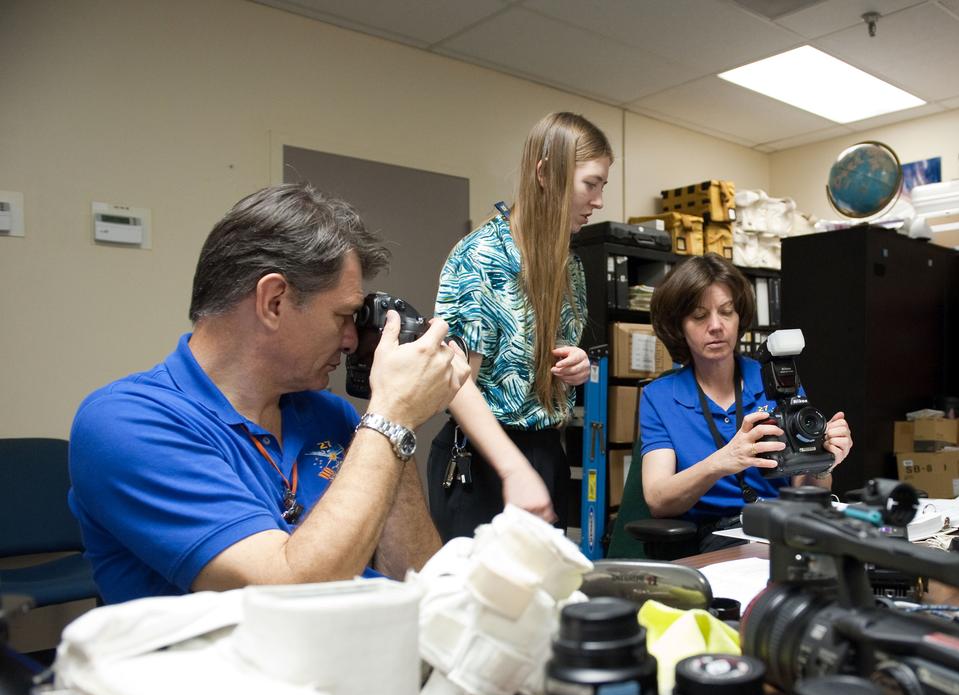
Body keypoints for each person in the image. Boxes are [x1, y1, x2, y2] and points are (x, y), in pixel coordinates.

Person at [68, 184, 470, 604]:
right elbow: (289, 590)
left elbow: (420, 584)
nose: (351, 340)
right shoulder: (127, 422)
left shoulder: (335, 417)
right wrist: (393, 415)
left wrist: (392, 415)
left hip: (356, 657)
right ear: (273, 301)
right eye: (342, 316)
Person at [428, 111, 611, 540]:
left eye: (603, 186)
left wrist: (577, 366)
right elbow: (455, 381)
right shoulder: (481, 257)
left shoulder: (571, 267)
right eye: (591, 184)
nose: (599, 201)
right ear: (546, 173)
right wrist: (513, 468)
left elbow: (547, 360)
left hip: (545, 451)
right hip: (483, 457)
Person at [639, 255, 853, 553]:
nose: (716, 326)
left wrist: (823, 464)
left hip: (781, 527)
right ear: (679, 326)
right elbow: (658, 500)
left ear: (740, 317)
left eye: (727, 312)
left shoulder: (776, 379)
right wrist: (722, 461)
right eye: (699, 316)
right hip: (713, 537)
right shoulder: (660, 396)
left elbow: (806, 492)